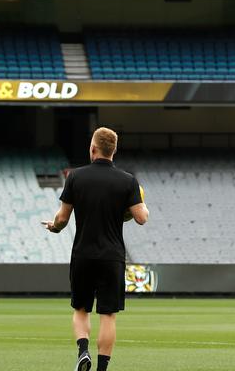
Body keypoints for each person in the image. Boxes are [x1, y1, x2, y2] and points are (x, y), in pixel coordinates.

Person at [45, 127, 148, 371]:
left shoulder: (75, 177)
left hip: (83, 254)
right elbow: (142, 218)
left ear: (93, 148)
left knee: (81, 309)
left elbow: (61, 218)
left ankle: (83, 352)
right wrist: (143, 205)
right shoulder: (128, 181)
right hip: (112, 257)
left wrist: (54, 228)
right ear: (114, 151)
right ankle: (102, 368)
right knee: (108, 315)